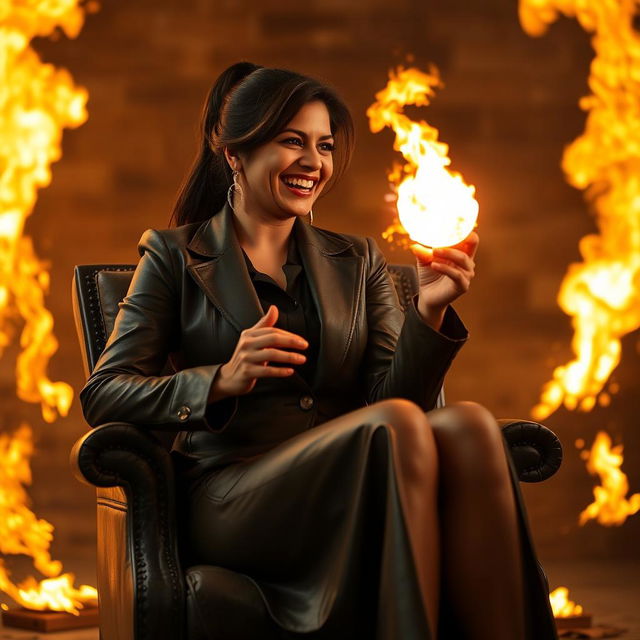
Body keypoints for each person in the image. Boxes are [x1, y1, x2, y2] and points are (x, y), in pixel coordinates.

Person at [80, 62, 557, 640]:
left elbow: (395, 400)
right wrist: (221, 379)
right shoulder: (174, 256)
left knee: (470, 427)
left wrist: (427, 312)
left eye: (324, 146)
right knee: (394, 427)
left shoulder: (358, 260)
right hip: (234, 494)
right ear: (235, 154)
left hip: (354, 478)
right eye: (291, 142)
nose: (314, 162)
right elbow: (106, 393)